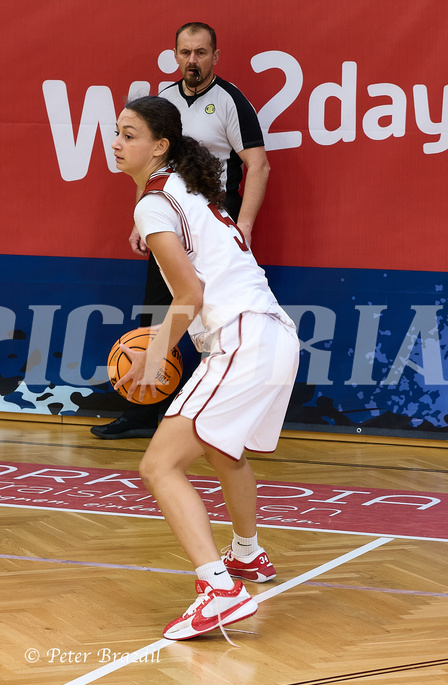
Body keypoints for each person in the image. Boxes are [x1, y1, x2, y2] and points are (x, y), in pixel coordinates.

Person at [111, 95, 299, 639]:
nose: (117, 142)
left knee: (157, 466)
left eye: (129, 133)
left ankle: (218, 590)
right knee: (224, 452)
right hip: (273, 335)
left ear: (159, 146)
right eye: (116, 131)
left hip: (240, 335)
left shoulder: (154, 203)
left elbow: (189, 292)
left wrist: (156, 353)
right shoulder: (184, 189)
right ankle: (246, 555)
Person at [91, 21, 270, 440]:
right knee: (156, 307)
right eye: (186, 52)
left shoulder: (230, 101)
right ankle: (142, 407)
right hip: (167, 211)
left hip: (210, 211)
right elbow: (148, 168)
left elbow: (258, 165)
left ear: (215, 56)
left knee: (210, 308)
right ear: (174, 55)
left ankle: (208, 415)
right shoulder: (164, 101)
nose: (193, 60)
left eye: (201, 53)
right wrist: (141, 214)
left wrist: (242, 224)